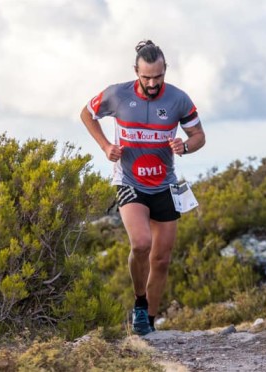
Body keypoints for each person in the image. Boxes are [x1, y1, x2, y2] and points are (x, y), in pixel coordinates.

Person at [80, 40, 206, 335]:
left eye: (158, 77)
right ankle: (139, 302)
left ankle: (147, 322)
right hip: (129, 181)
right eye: (146, 77)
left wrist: (185, 146)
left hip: (165, 184)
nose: (152, 83)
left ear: (165, 71)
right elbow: (86, 114)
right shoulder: (117, 94)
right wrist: (105, 145)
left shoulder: (179, 100)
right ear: (135, 71)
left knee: (161, 259)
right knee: (140, 243)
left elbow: (199, 135)